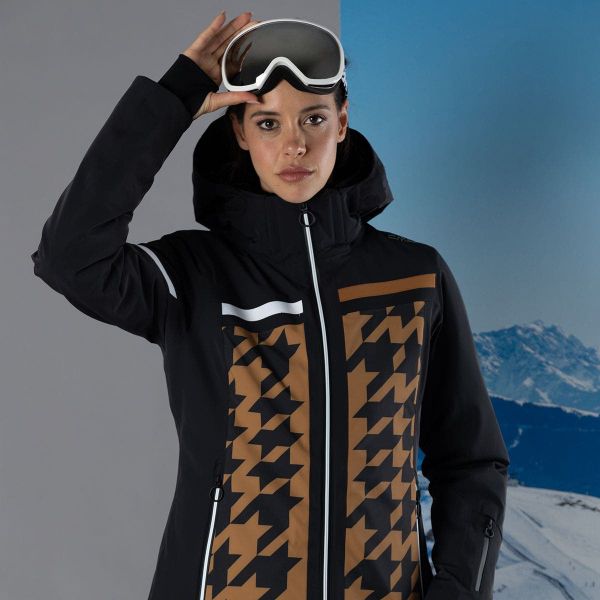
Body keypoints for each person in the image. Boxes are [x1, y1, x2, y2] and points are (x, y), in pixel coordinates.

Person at [30, 10, 510, 600]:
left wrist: (459, 591)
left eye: (314, 118)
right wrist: (174, 100)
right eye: (267, 122)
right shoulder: (193, 276)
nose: (294, 145)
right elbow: (68, 257)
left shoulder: (415, 277)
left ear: (342, 122)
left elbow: (471, 461)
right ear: (239, 132)